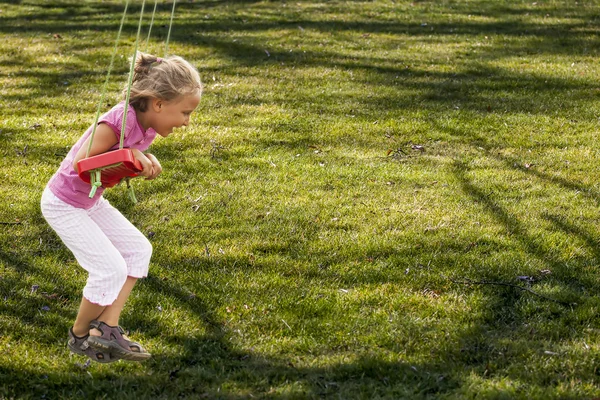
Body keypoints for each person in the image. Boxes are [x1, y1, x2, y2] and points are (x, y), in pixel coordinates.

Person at [40, 52, 202, 362]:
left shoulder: (148, 126)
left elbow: (123, 159)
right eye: (185, 112)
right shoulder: (119, 121)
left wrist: (144, 161)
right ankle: (80, 336)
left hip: (90, 201)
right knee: (109, 269)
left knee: (138, 250)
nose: (187, 122)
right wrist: (129, 154)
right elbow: (82, 163)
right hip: (65, 203)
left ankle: (107, 327)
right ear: (158, 104)